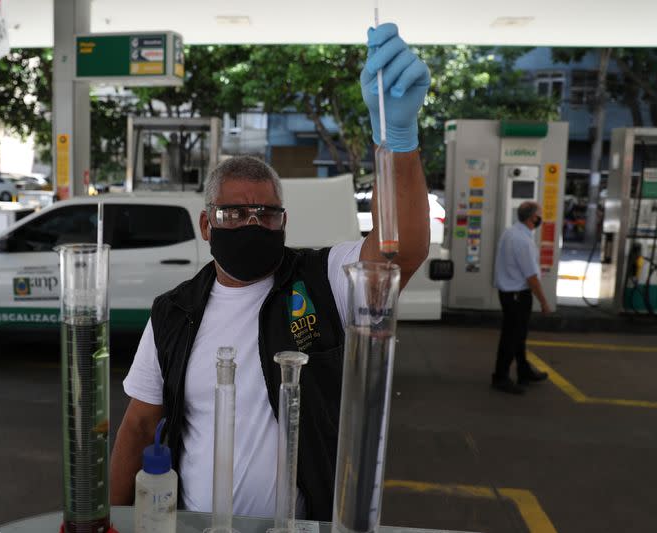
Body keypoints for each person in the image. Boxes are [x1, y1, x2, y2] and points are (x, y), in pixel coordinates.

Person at [109, 23, 431, 521]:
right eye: (234, 214)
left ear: (285, 220)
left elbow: (399, 252)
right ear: (206, 225)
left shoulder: (323, 279)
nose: (251, 224)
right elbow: (137, 426)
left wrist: (398, 142)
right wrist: (113, 520)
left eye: (266, 213)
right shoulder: (174, 312)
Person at [491, 201, 551, 395]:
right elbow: (531, 277)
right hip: (517, 295)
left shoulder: (511, 233)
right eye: (539, 214)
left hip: (509, 293)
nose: (541, 217)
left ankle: (524, 371)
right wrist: (543, 301)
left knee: (518, 336)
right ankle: (500, 377)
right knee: (511, 337)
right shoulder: (523, 241)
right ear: (533, 217)